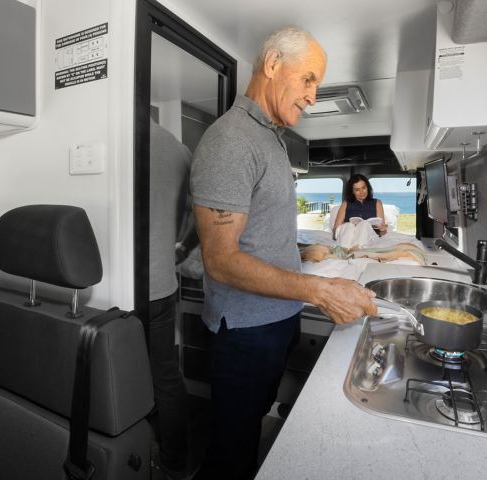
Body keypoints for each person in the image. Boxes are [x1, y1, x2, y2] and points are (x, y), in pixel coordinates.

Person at [189, 26, 377, 480]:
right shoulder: (230, 141)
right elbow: (221, 259)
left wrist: (297, 250)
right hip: (246, 335)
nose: (313, 97)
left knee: (251, 434)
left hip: (275, 323)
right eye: (308, 79)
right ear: (272, 65)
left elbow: (256, 230)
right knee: (231, 453)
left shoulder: (270, 139)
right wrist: (320, 291)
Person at [148, 119, 199, 480]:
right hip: (160, 284)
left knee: (127, 374)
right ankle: (173, 464)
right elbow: (202, 214)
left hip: (114, 290)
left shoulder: (109, 135)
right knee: (165, 376)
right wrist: (180, 248)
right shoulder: (178, 149)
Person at [332, 174, 387, 248]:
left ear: (367, 187)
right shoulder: (346, 204)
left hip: (369, 238)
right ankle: (346, 250)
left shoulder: (377, 203)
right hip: (349, 237)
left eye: (363, 188)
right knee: (348, 225)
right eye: (357, 190)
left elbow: (383, 232)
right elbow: (336, 230)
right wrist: (351, 227)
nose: (361, 192)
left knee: (364, 224)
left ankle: (355, 249)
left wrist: (383, 229)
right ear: (352, 191)